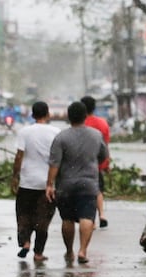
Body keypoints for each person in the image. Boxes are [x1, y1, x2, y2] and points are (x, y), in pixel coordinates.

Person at [46, 100, 109, 266]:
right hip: (89, 184)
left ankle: (69, 251)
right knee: (87, 217)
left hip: (65, 185)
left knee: (67, 219)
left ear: (69, 117)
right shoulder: (96, 135)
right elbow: (103, 156)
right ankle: (83, 250)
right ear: (85, 116)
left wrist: (49, 184)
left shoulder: (61, 137)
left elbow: (54, 164)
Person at [10, 101, 61, 263]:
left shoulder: (24, 132)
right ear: (47, 114)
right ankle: (38, 253)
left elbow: (19, 156)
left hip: (27, 181)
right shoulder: (56, 132)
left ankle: (25, 243)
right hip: (47, 184)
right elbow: (59, 158)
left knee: (23, 215)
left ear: (32, 115)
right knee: (43, 219)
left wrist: (15, 175)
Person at [81, 95, 111, 229]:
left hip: (82, 163)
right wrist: (106, 164)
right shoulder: (103, 123)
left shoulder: (80, 123)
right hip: (97, 162)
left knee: (86, 192)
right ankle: (102, 214)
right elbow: (105, 145)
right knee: (98, 189)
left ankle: (90, 219)